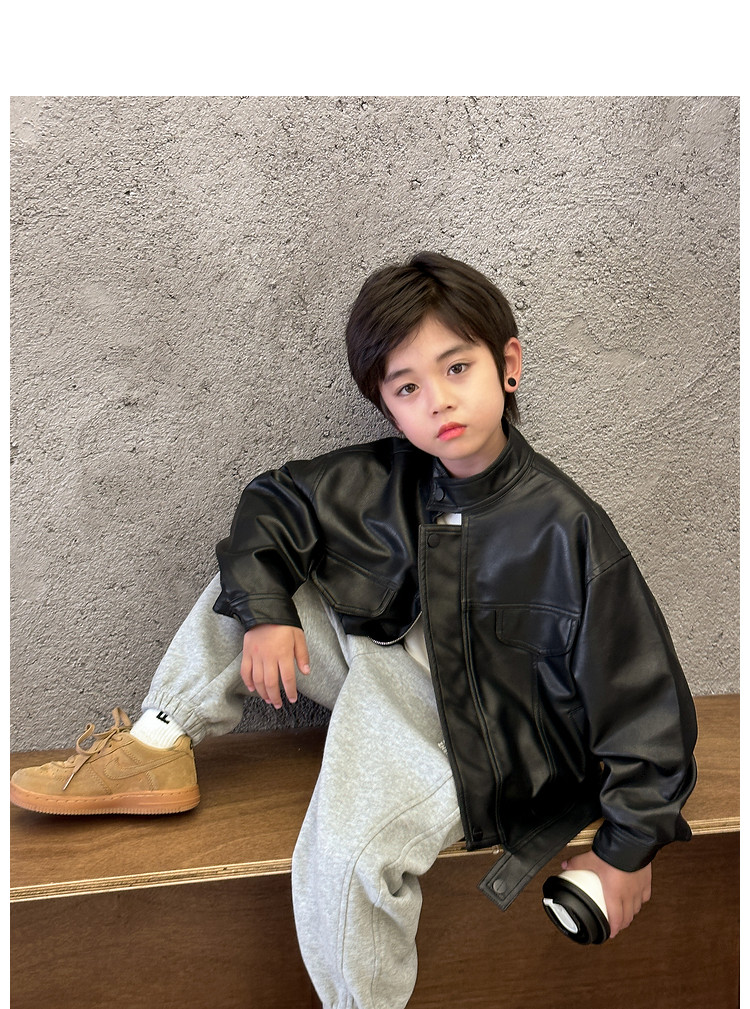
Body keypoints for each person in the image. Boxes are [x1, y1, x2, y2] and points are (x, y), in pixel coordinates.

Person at [10, 252, 697, 1009]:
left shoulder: (568, 530)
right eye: (408, 388)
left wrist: (628, 850)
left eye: (457, 367)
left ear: (508, 366)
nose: (438, 400)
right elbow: (273, 504)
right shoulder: (386, 478)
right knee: (255, 584)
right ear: (388, 407)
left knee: (344, 856)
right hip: (386, 659)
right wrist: (268, 617)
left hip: (473, 738)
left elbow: (646, 704)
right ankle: (157, 744)